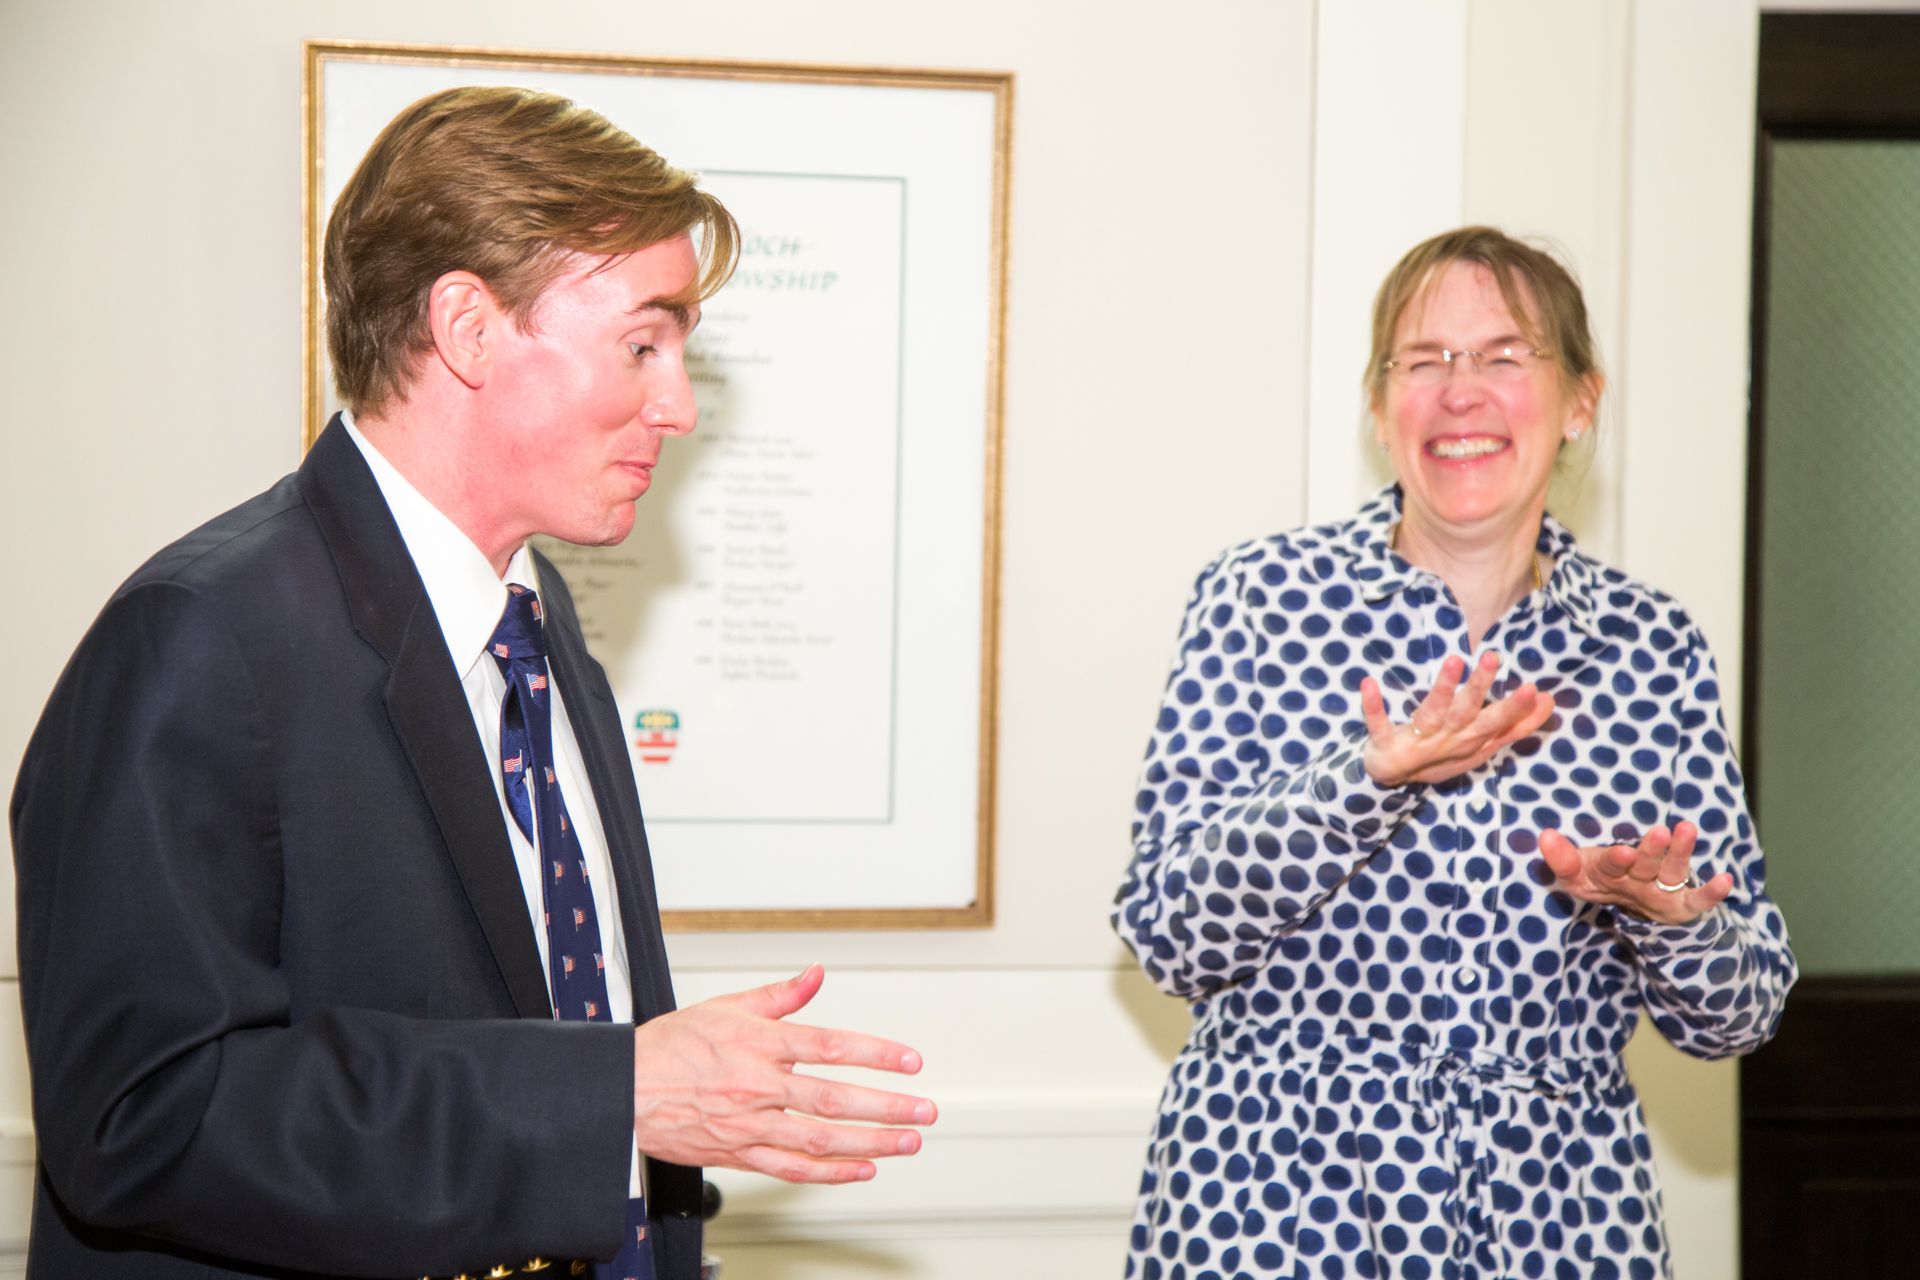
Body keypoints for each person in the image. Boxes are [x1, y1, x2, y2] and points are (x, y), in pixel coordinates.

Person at [10, 86, 935, 1280]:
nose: (681, 405)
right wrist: (612, 1095)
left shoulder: (543, 637)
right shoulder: (197, 636)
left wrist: (628, 1106)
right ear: (469, 326)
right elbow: (145, 1116)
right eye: (642, 343)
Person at [1112, 226, 1796, 1280]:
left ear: (1579, 401)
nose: (1459, 390)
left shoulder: (1650, 644)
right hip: (1277, 1192)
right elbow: (1168, 934)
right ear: (1380, 408)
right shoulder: (1257, 597)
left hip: (1560, 1208)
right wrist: (1365, 783)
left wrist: (1670, 920)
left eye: (1504, 356)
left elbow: (1741, 1013)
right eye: (1422, 360)